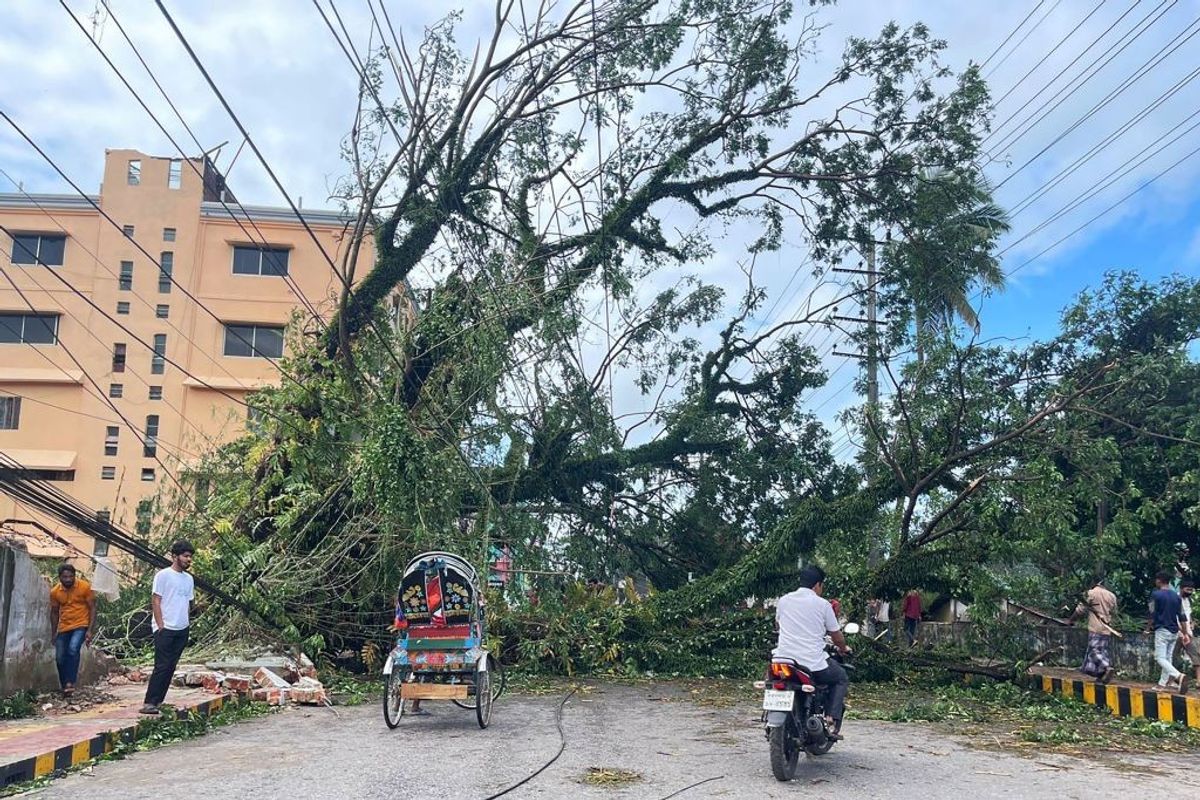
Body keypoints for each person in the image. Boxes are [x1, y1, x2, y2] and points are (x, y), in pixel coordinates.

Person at [771, 565, 851, 739]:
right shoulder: (822, 605)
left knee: (772, 681)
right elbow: (836, 635)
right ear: (817, 585)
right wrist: (843, 648)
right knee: (840, 677)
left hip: (782, 660)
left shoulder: (784, 600)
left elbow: (778, 625)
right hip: (812, 663)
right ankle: (830, 718)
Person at [140, 541, 196, 715]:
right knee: (162, 665)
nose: (188, 560)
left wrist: (187, 622)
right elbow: (156, 600)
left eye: (190, 557)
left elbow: (188, 602)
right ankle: (150, 702)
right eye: (185, 556)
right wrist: (160, 625)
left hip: (182, 628)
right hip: (165, 628)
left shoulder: (189, 579)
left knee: (171, 666)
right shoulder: (163, 575)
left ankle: (159, 701)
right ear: (175, 556)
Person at [49, 564, 96, 697]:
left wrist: (90, 630)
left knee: (73, 649)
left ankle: (70, 682)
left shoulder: (84, 587)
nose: (68, 579)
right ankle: (65, 686)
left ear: (75, 576)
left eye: (71, 576)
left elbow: (92, 608)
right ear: (60, 578)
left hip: (81, 624)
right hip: (64, 627)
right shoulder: (55, 592)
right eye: (65, 577)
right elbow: (54, 613)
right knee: (59, 658)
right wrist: (53, 633)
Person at [1067, 577, 1118, 684]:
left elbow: (1080, 610)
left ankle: (1106, 667)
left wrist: (1071, 620)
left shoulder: (1091, 593)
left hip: (1095, 627)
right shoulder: (1112, 596)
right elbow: (1114, 612)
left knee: (1093, 651)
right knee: (1102, 651)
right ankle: (1101, 676)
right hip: (1107, 627)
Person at [1147, 570, 1190, 693]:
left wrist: (1147, 629)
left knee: (1160, 658)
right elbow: (1182, 616)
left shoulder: (1155, 595)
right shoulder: (1176, 597)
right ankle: (1162, 684)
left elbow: (1151, 613)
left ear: (1159, 580)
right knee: (1167, 657)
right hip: (1174, 631)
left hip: (1162, 629)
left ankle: (1178, 675)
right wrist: (1185, 633)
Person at [1179, 579, 1199, 690]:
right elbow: (1176, 617)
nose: (1190, 592)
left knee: (1196, 655)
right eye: (1188, 589)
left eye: (1191, 590)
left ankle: (1198, 681)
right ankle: (1172, 680)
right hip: (1177, 633)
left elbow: (1189, 615)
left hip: (1189, 633)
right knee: (1172, 657)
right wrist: (1183, 632)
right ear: (1181, 588)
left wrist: (1192, 623)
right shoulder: (1176, 599)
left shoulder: (1189, 600)